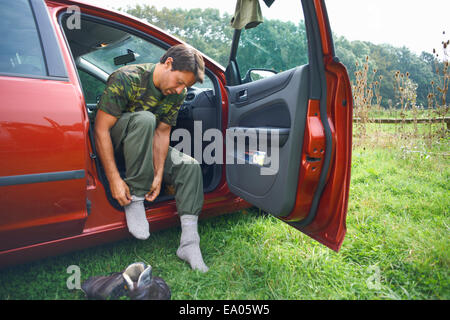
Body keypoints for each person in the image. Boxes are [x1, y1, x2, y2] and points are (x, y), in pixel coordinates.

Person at [94, 44, 208, 272]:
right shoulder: (126, 78)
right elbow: (101, 129)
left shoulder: (178, 93)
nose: (180, 90)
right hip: (118, 141)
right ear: (168, 64)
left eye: (185, 86)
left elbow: (162, 132)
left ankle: (189, 243)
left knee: (189, 167)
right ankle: (136, 198)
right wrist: (115, 179)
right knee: (146, 118)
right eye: (179, 82)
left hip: (145, 143)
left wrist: (157, 175)